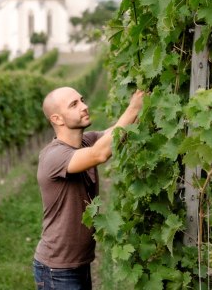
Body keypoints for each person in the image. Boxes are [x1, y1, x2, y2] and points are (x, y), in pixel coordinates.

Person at [33, 86, 144, 290]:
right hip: (57, 270)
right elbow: (99, 155)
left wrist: (143, 102)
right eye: (74, 104)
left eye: (82, 100)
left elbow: (117, 133)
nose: (84, 106)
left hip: (78, 264)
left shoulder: (86, 141)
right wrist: (133, 108)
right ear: (57, 119)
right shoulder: (53, 156)